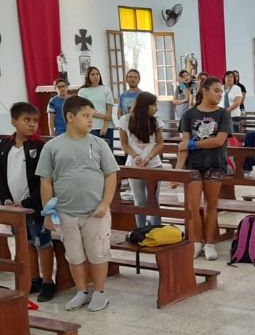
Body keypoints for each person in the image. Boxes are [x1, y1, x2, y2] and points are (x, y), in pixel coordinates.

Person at [36, 96, 120, 312]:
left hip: (95, 211)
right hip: (65, 212)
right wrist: (48, 212)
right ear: (70, 117)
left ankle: (100, 292)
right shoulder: (52, 147)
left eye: (92, 116)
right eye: (85, 116)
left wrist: (105, 203)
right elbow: (46, 181)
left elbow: (111, 175)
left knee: (98, 253)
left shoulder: (99, 144)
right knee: (74, 255)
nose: (91, 120)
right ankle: (81, 291)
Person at [1, 103, 55, 302]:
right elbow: (1, 177)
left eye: (35, 121)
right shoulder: (4, 146)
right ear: (14, 121)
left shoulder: (40, 147)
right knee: (27, 244)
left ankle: (49, 282)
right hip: (14, 207)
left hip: (34, 206)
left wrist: (26, 202)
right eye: (27, 120)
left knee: (42, 243)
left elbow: (43, 180)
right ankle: (35, 278)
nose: (32, 125)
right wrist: (6, 199)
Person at [177, 77, 233, 261]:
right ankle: (197, 242)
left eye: (221, 92)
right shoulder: (189, 115)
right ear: (205, 90)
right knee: (193, 206)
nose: (219, 94)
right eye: (216, 90)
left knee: (211, 204)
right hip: (193, 165)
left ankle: (209, 243)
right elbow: (183, 145)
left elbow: (219, 140)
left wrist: (194, 144)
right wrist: (177, 171)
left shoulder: (223, 114)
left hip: (215, 163)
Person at [118, 92, 164, 228]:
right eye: (154, 105)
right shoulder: (125, 120)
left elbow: (160, 144)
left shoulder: (156, 121)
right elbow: (124, 144)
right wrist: (136, 156)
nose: (156, 108)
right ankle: (140, 230)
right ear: (145, 106)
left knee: (153, 200)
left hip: (154, 164)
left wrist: (149, 157)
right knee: (139, 200)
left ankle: (156, 230)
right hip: (134, 164)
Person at [77, 67, 115, 150]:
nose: (96, 77)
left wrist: (105, 127)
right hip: (91, 126)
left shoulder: (106, 90)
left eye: (97, 74)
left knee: (108, 153)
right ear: (88, 76)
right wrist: (103, 116)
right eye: (93, 74)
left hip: (107, 126)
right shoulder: (83, 91)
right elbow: (86, 110)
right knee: (93, 153)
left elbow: (109, 110)